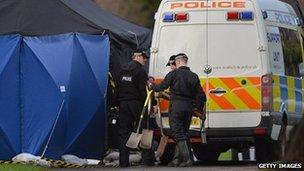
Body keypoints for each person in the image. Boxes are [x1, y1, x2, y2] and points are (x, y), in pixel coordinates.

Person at [149, 53, 206, 167]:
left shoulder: (173, 74)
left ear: (178, 62)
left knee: (177, 133)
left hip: (176, 107)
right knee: (184, 133)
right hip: (188, 107)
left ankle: (187, 159)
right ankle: (178, 160)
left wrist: (151, 85)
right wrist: (197, 108)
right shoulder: (194, 76)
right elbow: (201, 96)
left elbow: (161, 87)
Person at [116, 50, 154, 167]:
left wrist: (117, 103)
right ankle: (148, 161)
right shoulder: (140, 72)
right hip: (137, 105)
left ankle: (123, 162)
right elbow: (143, 92)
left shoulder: (122, 70)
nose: (145, 59)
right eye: (143, 57)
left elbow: (117, 87)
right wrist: (150, 105)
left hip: (123, 104)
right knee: (143, 130)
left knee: (124, 133)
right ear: (136, 57)